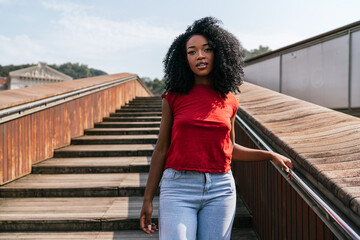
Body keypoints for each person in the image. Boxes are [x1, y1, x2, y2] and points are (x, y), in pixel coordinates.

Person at [140, 17, 293, 240]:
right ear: (184, 59)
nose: (199, 55)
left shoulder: (230, 100)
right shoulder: (172, 97)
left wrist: (269, 155)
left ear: (219, 54)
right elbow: (161, 149)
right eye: (191, 52)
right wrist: (147, 200)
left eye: (206, 49)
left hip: (220, 189)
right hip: (178, 188)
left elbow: (229, 148)